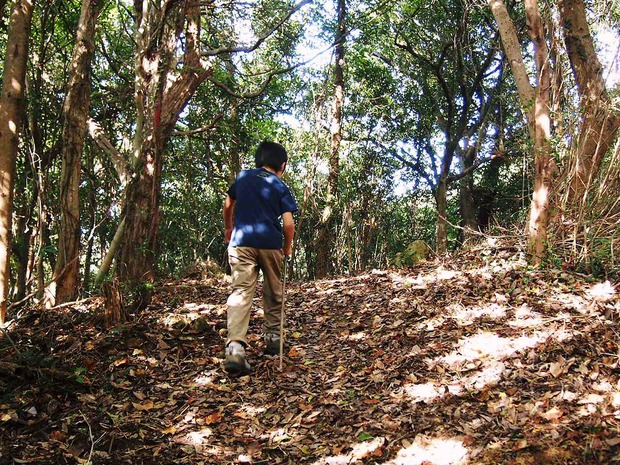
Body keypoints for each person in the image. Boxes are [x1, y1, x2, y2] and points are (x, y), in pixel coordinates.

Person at [222, 141, 297, 376]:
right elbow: (288, 225)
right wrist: (287, 248)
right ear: (281, 165)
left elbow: (227, 205)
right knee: (274, 290)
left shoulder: (243, 177)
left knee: (241, 292)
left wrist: (229, 228)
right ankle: (273, 340)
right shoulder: (280, 185)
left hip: (241, 242)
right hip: (270, 244)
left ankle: (235, 349)